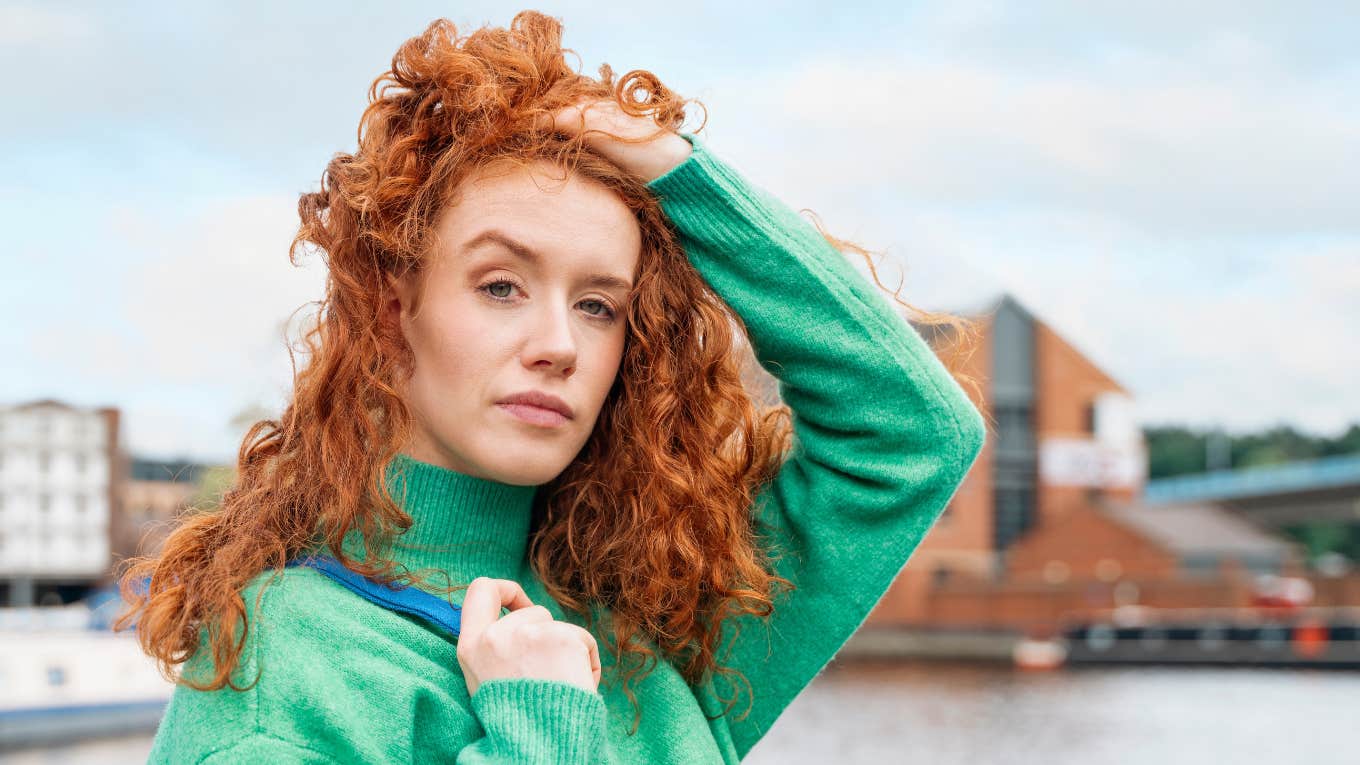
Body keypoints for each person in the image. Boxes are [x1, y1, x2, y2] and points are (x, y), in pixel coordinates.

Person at [119, 10, 987, 764]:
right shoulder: (284, 676)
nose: (559, 344)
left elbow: (912, 434)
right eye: (501, 286)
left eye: (600, 305)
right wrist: (544, 724)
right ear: (392, 313)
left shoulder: (654, 621)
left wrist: (678, 173)